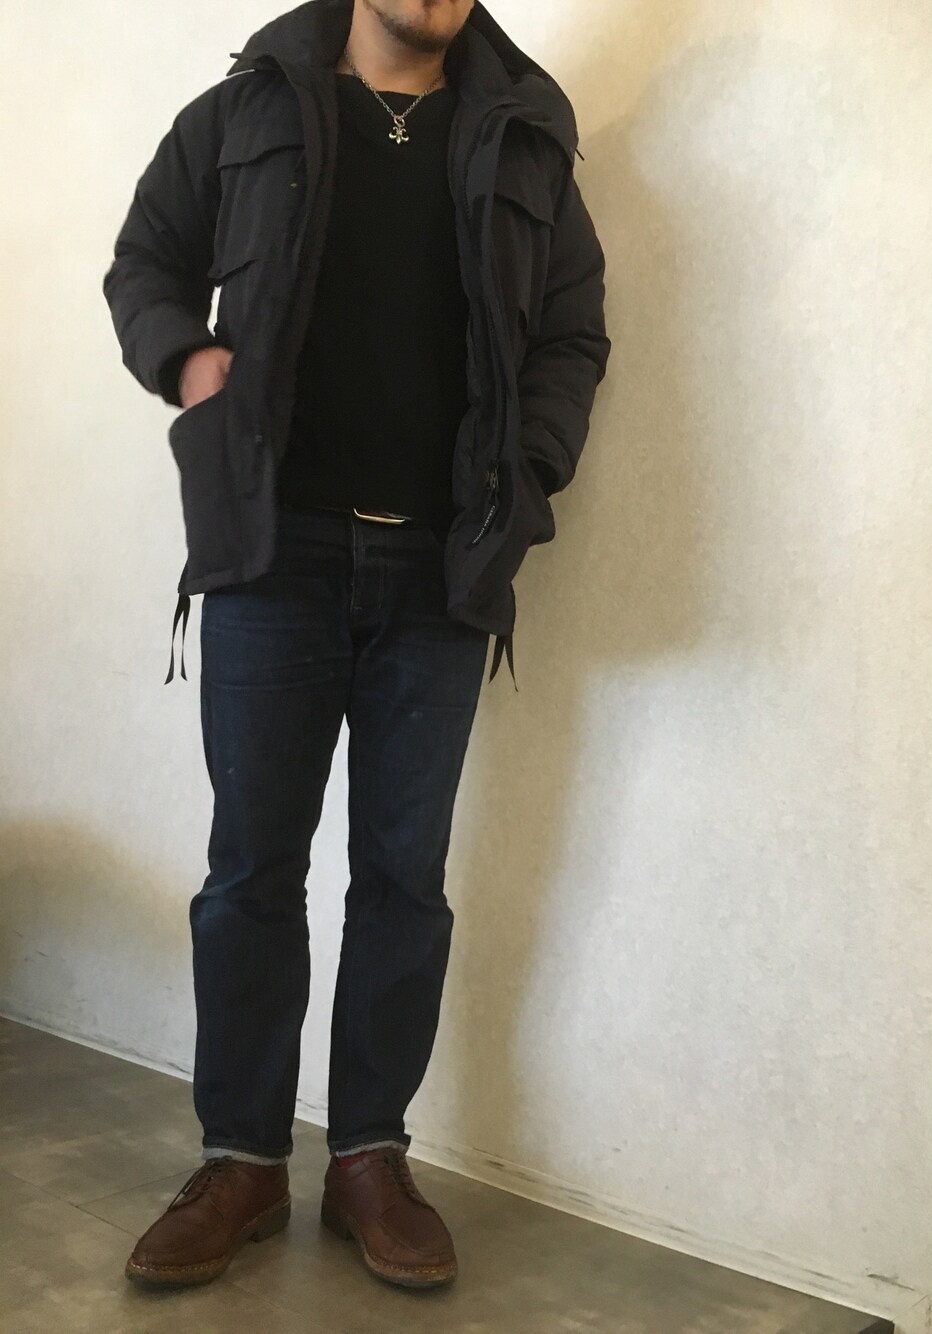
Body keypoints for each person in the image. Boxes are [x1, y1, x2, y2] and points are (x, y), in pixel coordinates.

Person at [102, 0, 610, 1292]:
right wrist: (190, 363)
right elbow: (146, 260)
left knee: (402, 882)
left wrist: (530, 466)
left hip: (441, 573)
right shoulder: (254, 103)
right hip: (273, 555)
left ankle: (369, 1157)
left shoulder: (524, 135)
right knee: (250, 872)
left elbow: (573, 332)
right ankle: (241, 1160)